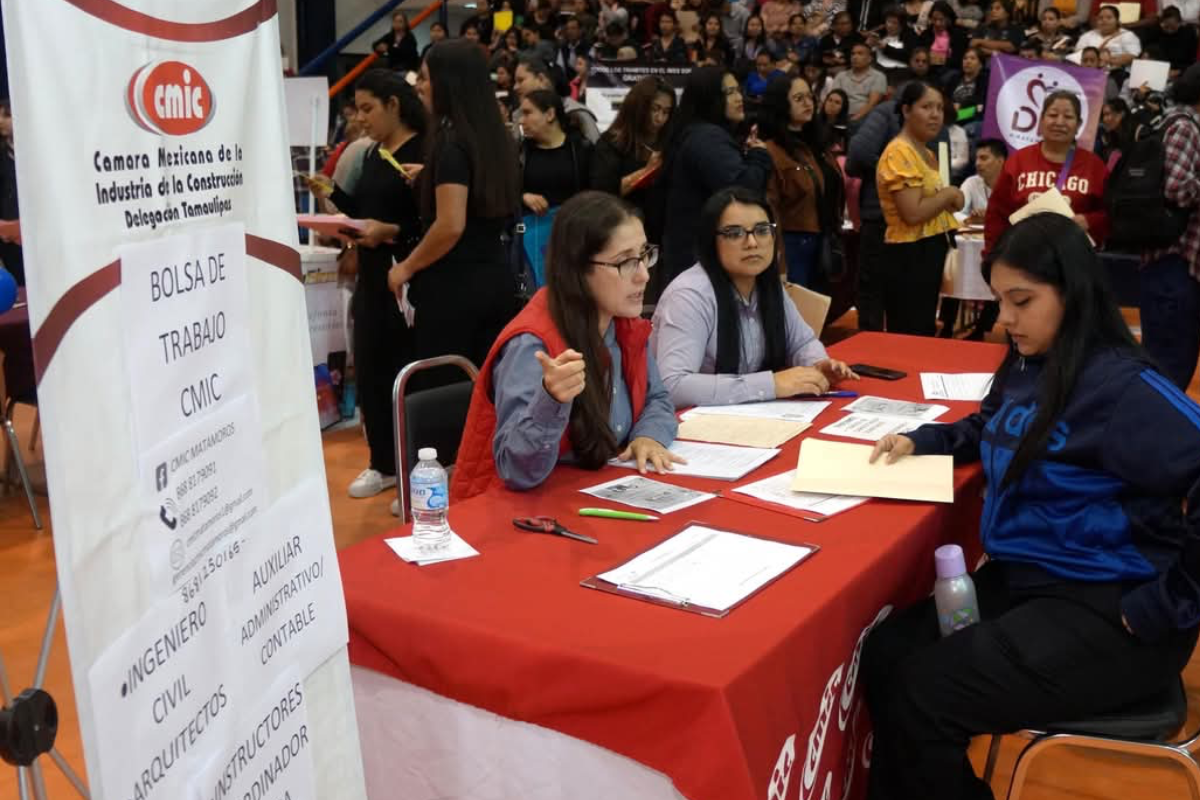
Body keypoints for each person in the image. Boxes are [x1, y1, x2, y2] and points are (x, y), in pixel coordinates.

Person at [863, 212, 1200, 800]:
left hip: (1115, 608)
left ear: (1073, 293)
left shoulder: (1121, 387)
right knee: (887, 652)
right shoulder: (1028, 362)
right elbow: (997, 425)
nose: (1006, 319)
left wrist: (1171, 601)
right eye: (999, 300)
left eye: (1022, 300)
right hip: (1033, 583)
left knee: (925, 693)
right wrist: (929, 440)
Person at [451, 192, 681, 497]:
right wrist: (550, 400)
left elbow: (658, 398)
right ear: (577, 269)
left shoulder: (623, 324)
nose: (643, 275)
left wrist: (649, 436)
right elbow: (517, 473)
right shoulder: (532, 345)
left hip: (595, 493)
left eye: (644, 255)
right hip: (523, 515)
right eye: (626, 262)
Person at [305, 71, 427, 501]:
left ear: (395, 104)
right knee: (373, 368)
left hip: (409, 277)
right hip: (374, 277)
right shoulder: (375, 154)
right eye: (357, 109)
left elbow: (429, 223)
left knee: (406, 370)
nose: (361, 118)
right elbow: (364, 211)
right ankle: (382, 462)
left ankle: (417, 465)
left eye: (369, 108)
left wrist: (390, 232)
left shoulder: (425, 153)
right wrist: (333, 194)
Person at [387, 41, 522, 389]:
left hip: (454, 291)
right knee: (488, 396)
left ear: (448, 82)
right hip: (495, 279)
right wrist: (430, 175)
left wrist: (406, 267)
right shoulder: (494, 138)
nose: (420, 85)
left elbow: (450, 224)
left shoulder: (450, 142)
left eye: (427, 77)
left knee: (444, 398)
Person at [651, 189, 857, 406]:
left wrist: (818, 364)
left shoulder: (766, 284)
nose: (752, 243)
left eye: (762, 230)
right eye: (734, 233)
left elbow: (801, 342)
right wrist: (771, 384)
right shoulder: (690, 296)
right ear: (711, 241)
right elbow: (673, 385)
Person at [659, 66, 773, 291]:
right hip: (701, 258)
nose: (739, 98)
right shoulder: (707, 138)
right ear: (710, 98)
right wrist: (759, 155)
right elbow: (744, 190)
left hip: (697, 255)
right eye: (729, 92)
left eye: (738, 90)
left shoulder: (700, 133)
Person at [876, 80, 963, 335]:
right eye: (926, 107)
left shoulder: (926, 153)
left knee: (923, 327)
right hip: (909, 254)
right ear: (906, 110)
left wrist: (950, 197)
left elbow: (945, 204)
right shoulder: (899, 152)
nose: (936, 114)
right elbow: (913, 213)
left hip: (929, 249)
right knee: (909, 331)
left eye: (939, 108)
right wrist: (948, 193)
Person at [985, 90, 1110, 252]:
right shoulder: (1018, 162)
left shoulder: (1095, 166)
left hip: (1075, 261)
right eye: (1052, 115)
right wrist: (991, 257)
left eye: (1068, 117)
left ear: (1079, 124)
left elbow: (1112, 216)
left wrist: (1089, 221)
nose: (1059, 122)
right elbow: (996, 214)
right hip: (1023, 257)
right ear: (1041, 120)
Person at [1139, 63, 1200, 390]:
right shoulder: (1186, 127)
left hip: (1175, 267)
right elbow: (1176, 186)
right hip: (1171, 264)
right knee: (1169, 365)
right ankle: (1148, 437)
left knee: (1172, 362)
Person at [762, 74, 846, 288]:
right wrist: (778, 260)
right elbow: (770, 209)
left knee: (816, 315)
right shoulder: (771, 150)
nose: (808, 103)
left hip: (824, 238)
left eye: (810, 97)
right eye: (799, 98)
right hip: (793, 242)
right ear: (781, 103)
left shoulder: (817, 144)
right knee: (797, 314)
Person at [591, 77, 675, 211]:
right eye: (655, 109)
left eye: (666, 112)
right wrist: (647, 172)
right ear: (639, 107)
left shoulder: (669, 141)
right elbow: (603, 194)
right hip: (622, 219)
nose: (660, 118)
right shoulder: (611, 142)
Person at [513, 56, 602, 143]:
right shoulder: (518, 115)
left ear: (541, 79)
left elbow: (598, 153)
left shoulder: (577, 114)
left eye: (521, 80)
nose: (515, 87)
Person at [832, 42, 888, 122]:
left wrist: (853, 119)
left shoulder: (878, 77)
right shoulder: (841, 75)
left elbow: (871, 104)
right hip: (840, 116)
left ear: (869, 59)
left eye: (860, 54)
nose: (855, 57)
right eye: (853, 54)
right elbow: (834, 99)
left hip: (865, 117)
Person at [1074, 4, 1142, 68]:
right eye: (1100, 18)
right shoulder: (1087, 36)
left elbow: (1132, 56)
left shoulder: (1127, 35)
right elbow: (1077, 56)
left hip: (1116, 73)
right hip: (1089, 72)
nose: (1104, 20)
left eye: (1109, 18)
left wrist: (1107, 60)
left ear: (1117, 21)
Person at [917, 1, 971, 76]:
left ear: (948, 19)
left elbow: (959, 61)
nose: (937, 23)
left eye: (941, 19)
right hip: (928, 69)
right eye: (934, 19)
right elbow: (919, 55)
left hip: (950, 71)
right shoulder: (926, 34)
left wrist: (941, 60)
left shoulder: (958, 35)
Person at [0, 100, 21, 287]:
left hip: (29, 229)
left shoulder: (34, 152)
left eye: (5, 115)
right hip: (6, 232)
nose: (0, 121)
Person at [869, 6, 920, 79]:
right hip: (878, 70)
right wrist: (868, 45)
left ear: (902, 25)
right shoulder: (880, 33)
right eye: (888, 21)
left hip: (901, 73)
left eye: (894, 23)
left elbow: (909, 55)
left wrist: (886, 48)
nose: (889, 25)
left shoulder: (910, 35)